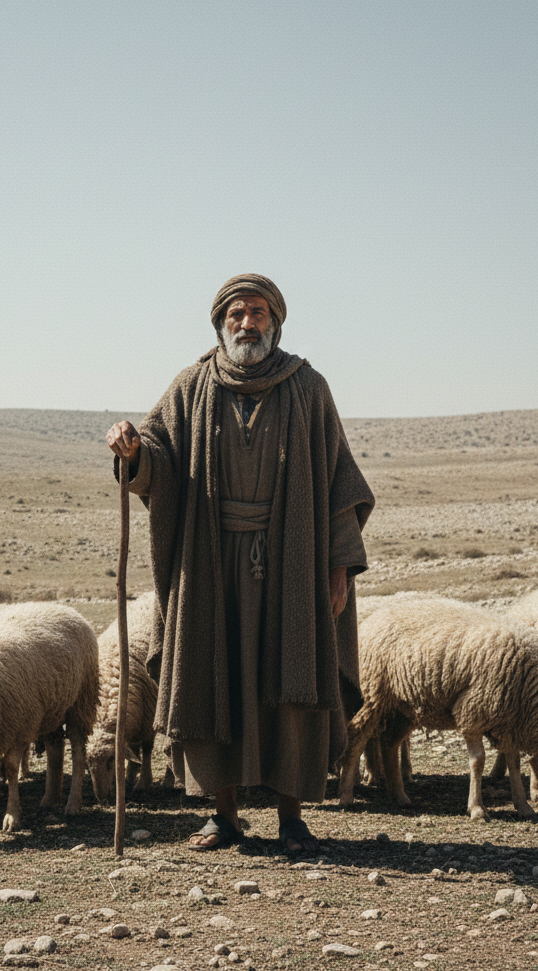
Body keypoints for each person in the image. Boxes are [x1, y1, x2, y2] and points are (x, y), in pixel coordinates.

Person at [105, 273, 374, 854]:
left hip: (292, 563)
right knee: (213, 678)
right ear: (220, 323)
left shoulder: (308, 388)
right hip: (209, 564)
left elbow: (338, 483)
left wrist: (337, 568)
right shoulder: (191, 386)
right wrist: (134, 452)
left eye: (257, 313)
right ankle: (223, 816)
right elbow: (158, 456)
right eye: (236, 314)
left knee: (292, 681)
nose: (246, 323)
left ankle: (292, 818)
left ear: (275, 322)